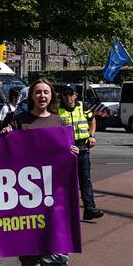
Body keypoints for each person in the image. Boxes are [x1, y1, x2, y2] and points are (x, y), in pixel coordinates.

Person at [3, 78, 77, 266]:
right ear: (31, 96)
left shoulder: (59, 121)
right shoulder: (19, 121)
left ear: (51, 96)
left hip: (53, 190)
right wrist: (5, 134)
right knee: (28, 235)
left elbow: (66, 151)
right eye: (38, 92)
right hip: (25, 190)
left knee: (56, 237)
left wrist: (72, 151)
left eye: (46, 92)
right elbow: (5, 151)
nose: (42, 96)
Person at [57, 84, 103, 221]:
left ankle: (89, 209)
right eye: (65, 94)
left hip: (83, 147)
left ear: (75, 95)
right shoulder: (57, 110)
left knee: (85, 180)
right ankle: (66, 211)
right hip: (66, 149)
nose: (68, 97)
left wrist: (92, 136)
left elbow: (92, 120)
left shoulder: (83, 107)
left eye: (70, 94)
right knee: (66, 181)